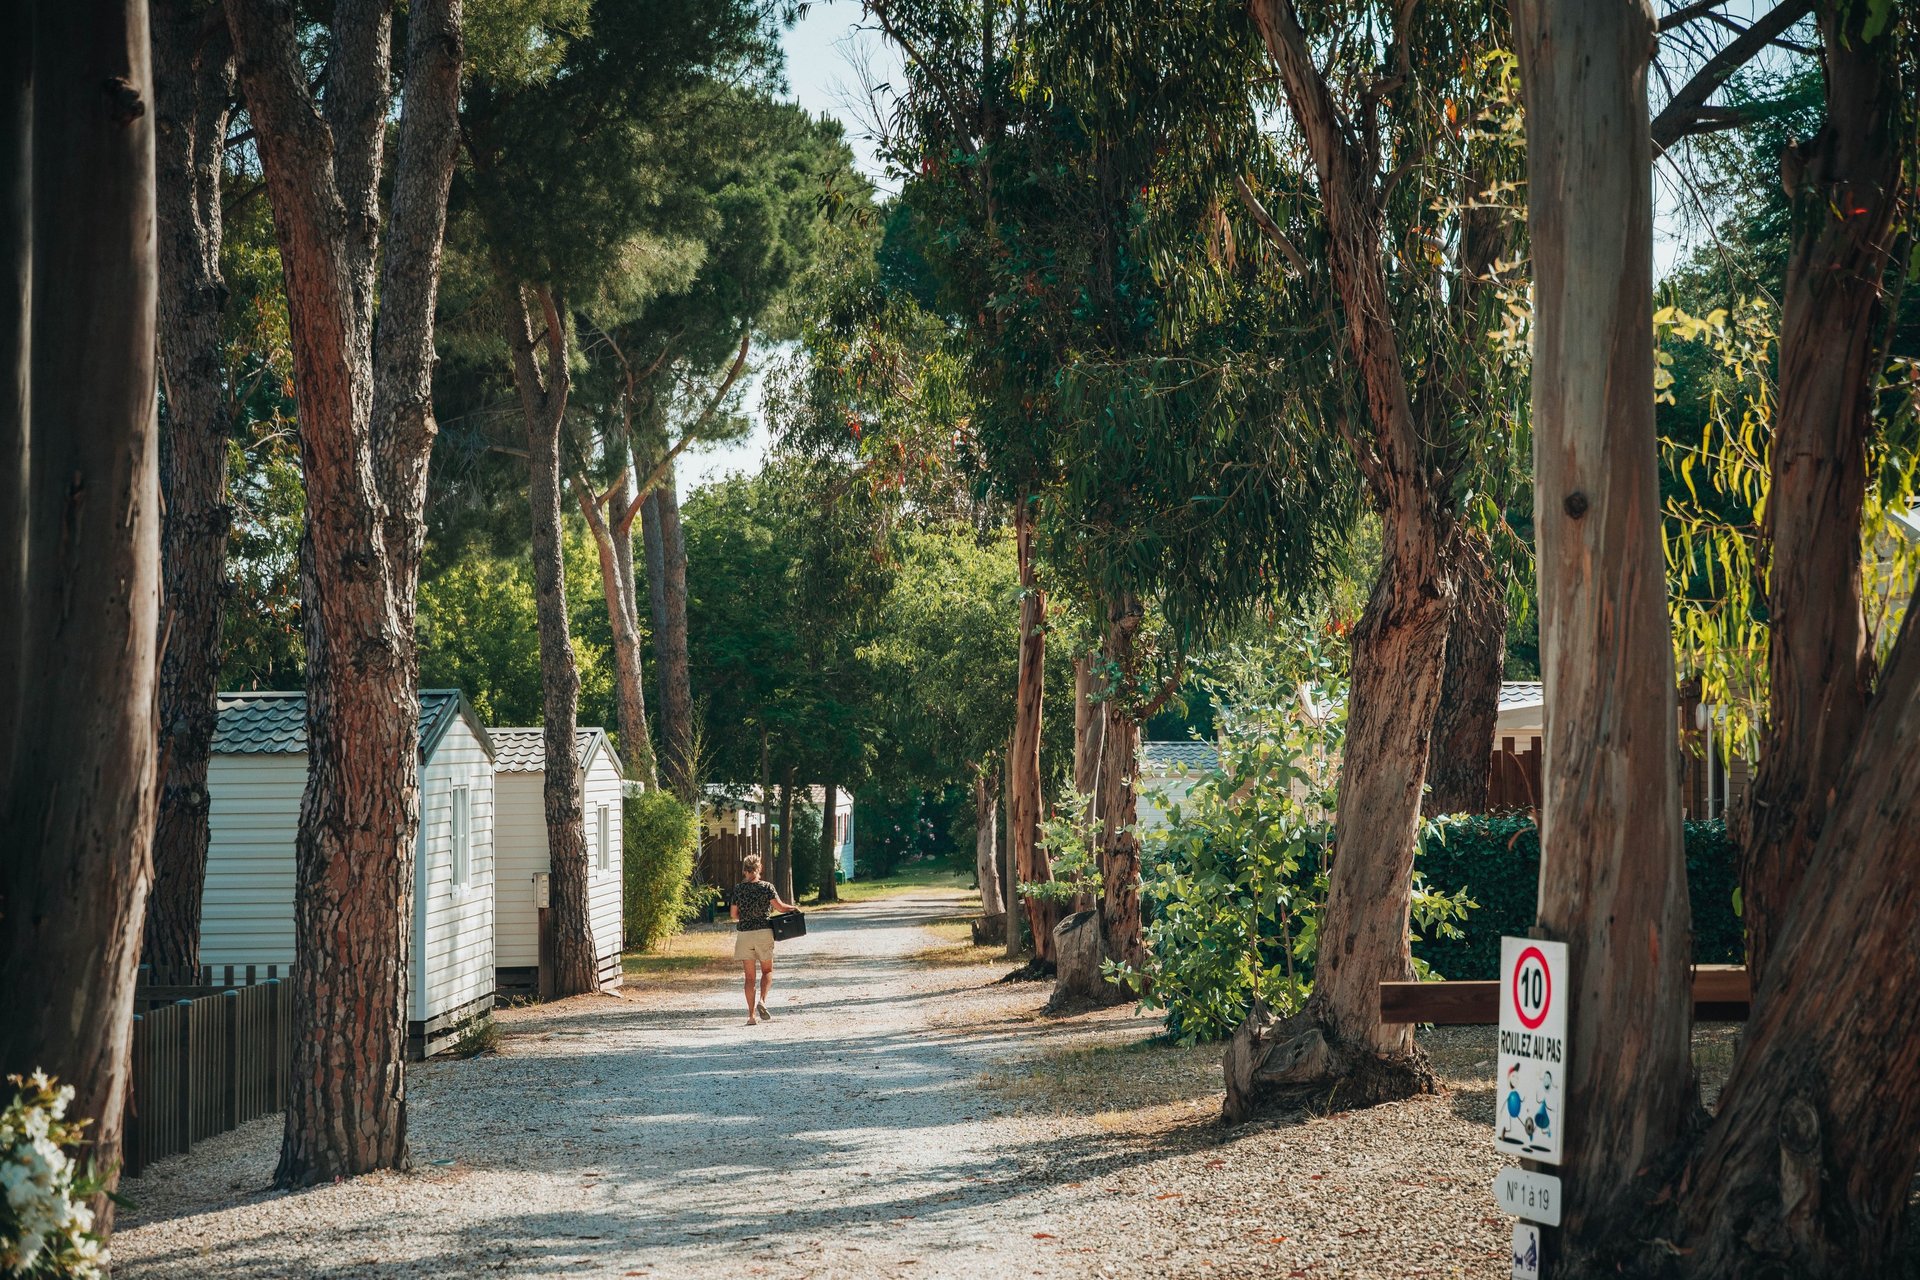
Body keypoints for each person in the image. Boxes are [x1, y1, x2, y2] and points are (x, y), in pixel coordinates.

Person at [729, 854, 794, 1026]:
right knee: (767, 971)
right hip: (764, 932)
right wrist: (793, 908)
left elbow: (734, 915)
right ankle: (762, 1001)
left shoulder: (738, 889)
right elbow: (780, 907)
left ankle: (751, 1016)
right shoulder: (767, 887)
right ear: (759, 869)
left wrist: (746, 916)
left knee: (749, 978)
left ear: (744, 870)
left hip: (744, 935)